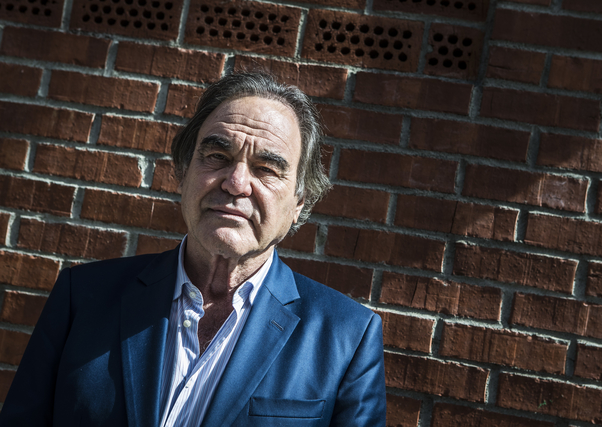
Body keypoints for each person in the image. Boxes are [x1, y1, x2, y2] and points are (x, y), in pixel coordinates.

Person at [0, 72, 386, 426]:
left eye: (267, 169)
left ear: (300, 202)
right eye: (217, 156)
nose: (236, 183)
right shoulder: (81, 297)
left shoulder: (348, 339)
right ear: (183, 173)